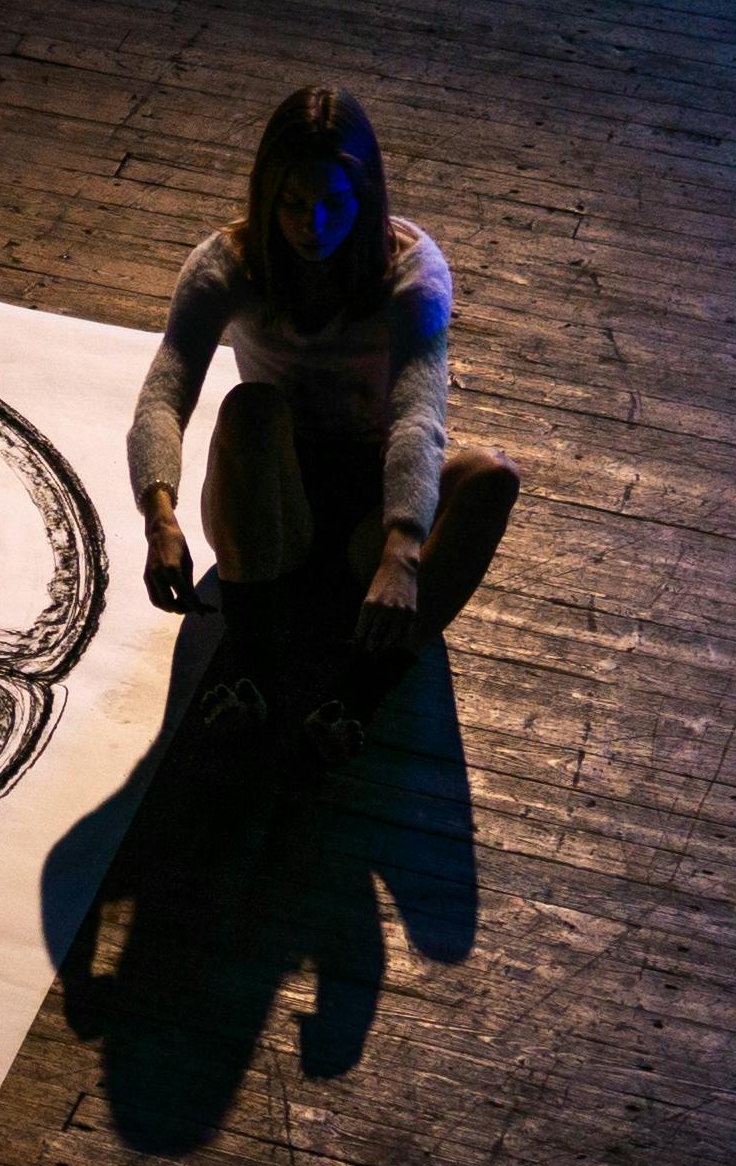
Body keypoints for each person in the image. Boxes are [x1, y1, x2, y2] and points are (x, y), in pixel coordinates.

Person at [126, 87, 519, 761]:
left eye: (336, 205)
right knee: (251, 409)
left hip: (373, 507)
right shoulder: (228, 265)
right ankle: (246, 665)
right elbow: (164, 394)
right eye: (293, 205)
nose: (314, 225)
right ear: (265, 197)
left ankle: (358, 695)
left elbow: (417, 415)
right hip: (273, 505)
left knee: (491, 475)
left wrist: (401, 547)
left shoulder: (412, 273)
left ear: (366, 199)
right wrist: (159, 518)